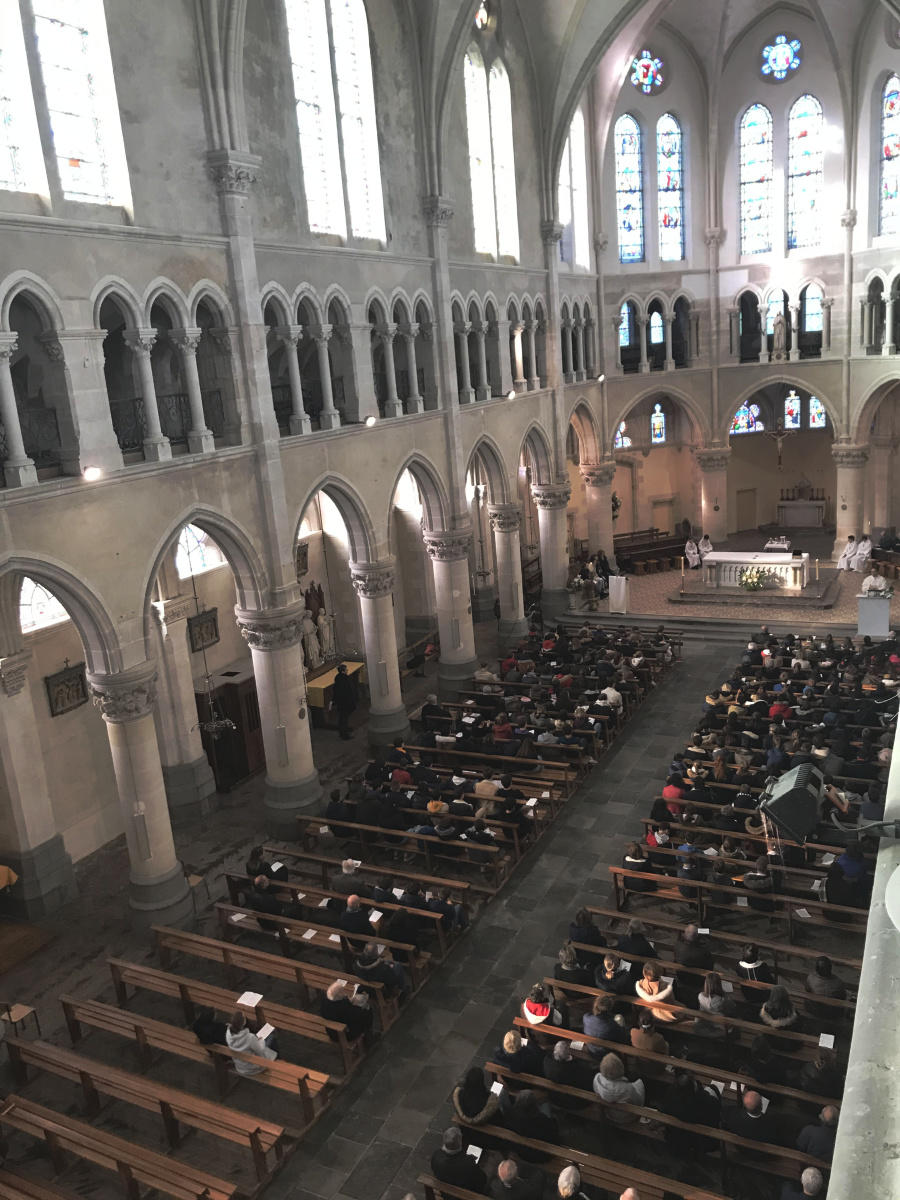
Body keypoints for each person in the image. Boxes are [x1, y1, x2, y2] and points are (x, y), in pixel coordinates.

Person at [430, 1126, 487, 1194]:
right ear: (460, 1142)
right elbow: (482, 1179)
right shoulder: (468, 1163)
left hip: (445, 1192)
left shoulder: (436, 1156)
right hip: (463, 1195)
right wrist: (470, 1160)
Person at [592, 1052, 645, 1123]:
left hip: (608, 1112)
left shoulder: (597, 1078)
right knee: (640, 1083)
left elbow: (596, 1092)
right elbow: (637, 1102)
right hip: (626, 1116)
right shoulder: (627, 1088)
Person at [225, 1010, 277, 1076]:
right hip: (254, 1068)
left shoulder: (228, 1034)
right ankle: (277, 1059)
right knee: (271, 1034)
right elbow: (261, 1050)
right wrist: (260, 1040)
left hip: (240, 1066)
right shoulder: (249, 1037)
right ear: (244, 1023)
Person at [331, 663, 357, 740]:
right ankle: (344, 735)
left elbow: (335, 690)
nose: (347, 670)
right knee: (344, 719)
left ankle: (342, 732)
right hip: (346, 702)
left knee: (342, 718)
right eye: (346, 669)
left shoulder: (337, 678)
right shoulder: (346, 679)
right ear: (343, 671)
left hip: (341, 702)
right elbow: (349, 691)